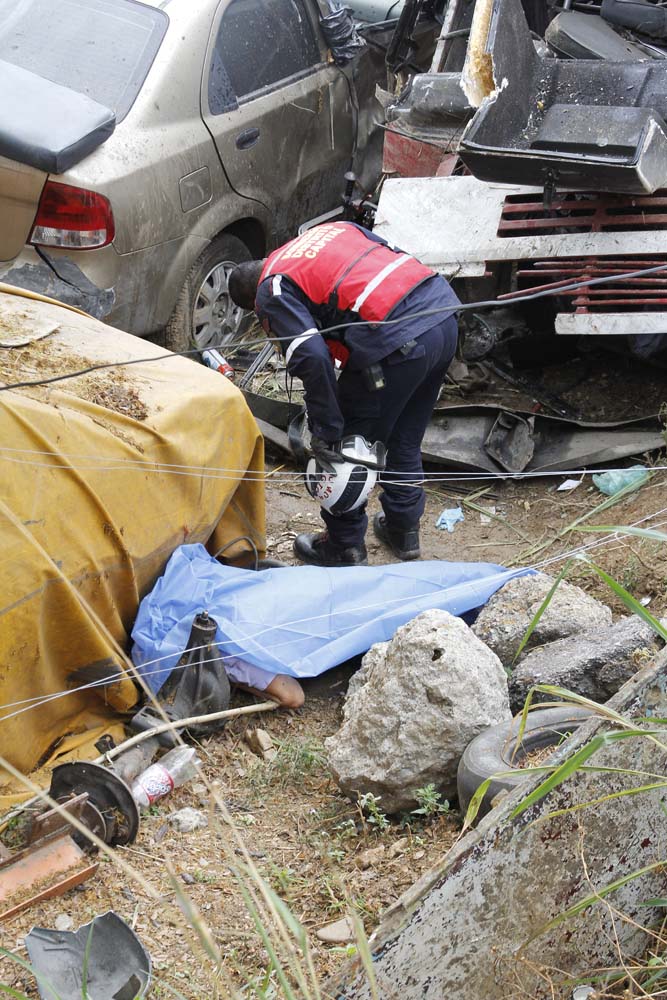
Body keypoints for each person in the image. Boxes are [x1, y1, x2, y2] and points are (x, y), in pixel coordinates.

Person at [228, 221, 460, 568]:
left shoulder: (270, 289)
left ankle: (343, 546)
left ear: (253, 303)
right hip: (441, 315)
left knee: (348, 451)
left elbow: (312, 357)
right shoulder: (326, 231)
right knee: (404, 435)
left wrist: (327, 431)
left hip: (396, 341)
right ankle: (403, 529)